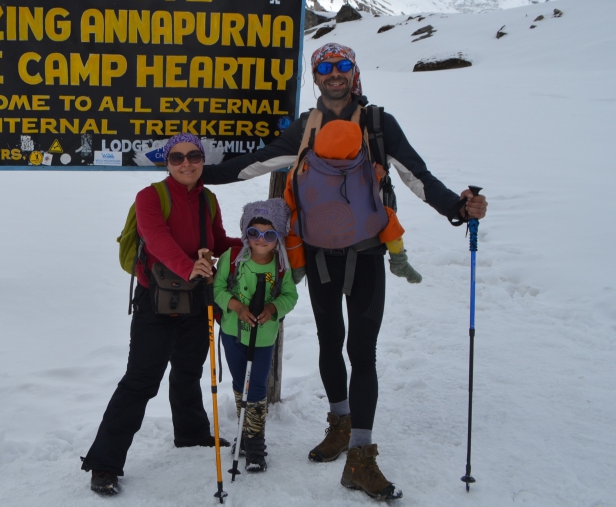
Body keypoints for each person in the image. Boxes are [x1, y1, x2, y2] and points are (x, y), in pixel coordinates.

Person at [202, 42, 488, 501]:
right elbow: (254, 164)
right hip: (317, 255)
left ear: (354, 73)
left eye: (342, 66)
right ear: (315, 78)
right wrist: (198, 173)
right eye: (325, 67)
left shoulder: (378, 124)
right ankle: (340, 422)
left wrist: (457, 207)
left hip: (368, 253)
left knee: (363, 349)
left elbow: (417, 175)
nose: (334, 74)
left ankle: (361, 456)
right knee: (330, 342)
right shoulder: (306, 127)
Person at [81, 133, 242, 496]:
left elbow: (217, 242)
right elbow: (155, 239)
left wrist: (256, 239)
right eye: (177, 157)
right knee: (141, 380)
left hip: (196, 299)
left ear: (202, 159)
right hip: (156, 299)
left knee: (188, 370)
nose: (187, 163)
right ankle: (104, 464)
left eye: (194, 156)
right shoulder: (150, 197)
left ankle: (191, 433)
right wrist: (188, 268)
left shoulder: (207, 198)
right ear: (167, 162)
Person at [212, 198, 298, 473]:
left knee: (257, 387)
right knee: (240, 383)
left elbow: (290, 296)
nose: (260, 240)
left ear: (278, 238)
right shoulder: (232, 258)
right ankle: (244, 432)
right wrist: (235, 306)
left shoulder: (281, 265)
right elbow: (218, 289)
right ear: (245, 234)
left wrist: (273, 308)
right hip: (232, 332)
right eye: (253, 233)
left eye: (269, 235)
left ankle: (255, 441)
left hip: (262, 337)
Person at [281, 119, 421, 284]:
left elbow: (290, 201)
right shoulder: (366, 169)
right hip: (359, 229)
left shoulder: (301, 171)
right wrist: (379, 175)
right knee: (388, 216)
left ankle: (297, 269)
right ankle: (399, 260)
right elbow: (370, 189)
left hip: (315, 232)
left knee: (292, 225)